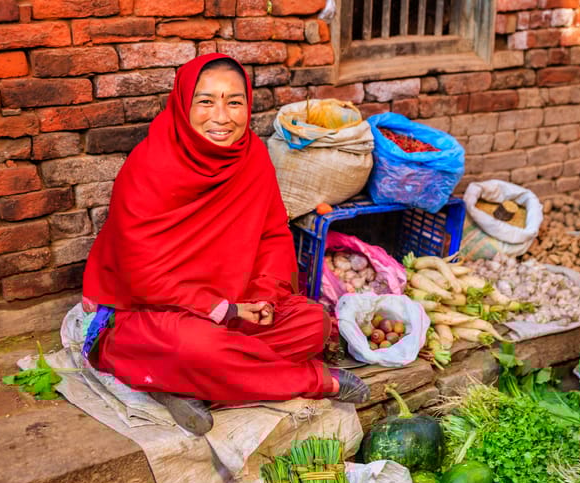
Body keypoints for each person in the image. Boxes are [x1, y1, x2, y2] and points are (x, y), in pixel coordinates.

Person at [80, 53, 370, 436]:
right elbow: (141, 276)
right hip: (158, 312)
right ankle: (310, 381)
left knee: (312, 325)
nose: (222, 117)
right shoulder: (149, 166)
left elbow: (272, 235)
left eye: (234, 102)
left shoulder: (252, 157)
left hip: (238, 307)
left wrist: (265, 296)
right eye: (206, 101)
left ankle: (182, 386)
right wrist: (223, 308)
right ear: (184, 105)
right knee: (193, 348)